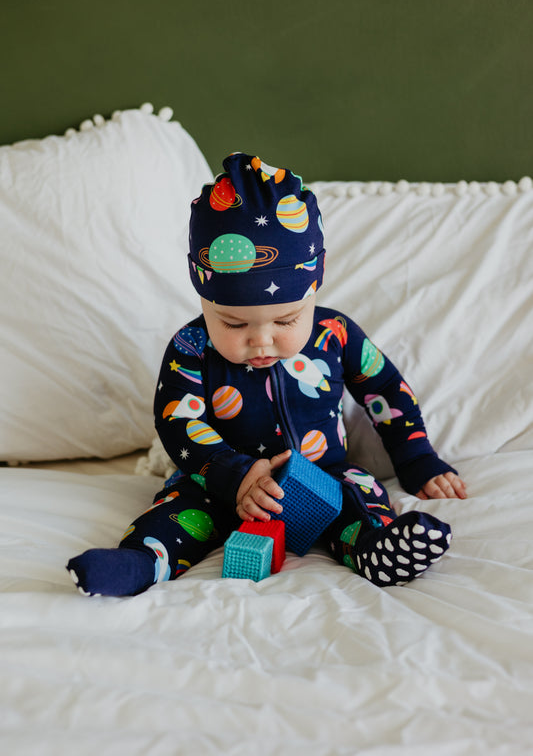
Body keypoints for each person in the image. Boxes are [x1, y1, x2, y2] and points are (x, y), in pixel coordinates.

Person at [67, 153, 466, 596]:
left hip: (323, 475)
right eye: (234, 324)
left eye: (286, 320)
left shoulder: (335, 333)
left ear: (314, 288)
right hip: (220, 482)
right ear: (204, 298)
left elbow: (385, 390)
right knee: (178, 508)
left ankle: (376, 550)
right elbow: (176, 421)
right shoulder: (191, 347)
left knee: (360, 495)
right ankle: (141, 562)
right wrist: (234, 474)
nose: (261, 341)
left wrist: (416, 460)